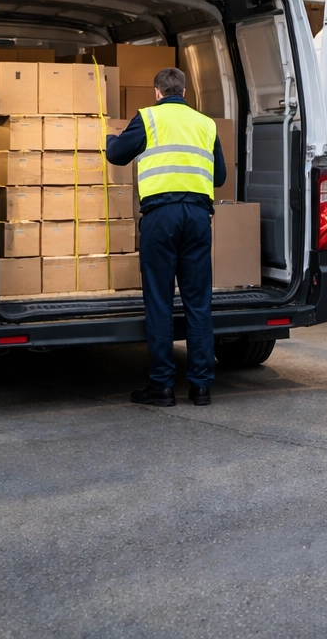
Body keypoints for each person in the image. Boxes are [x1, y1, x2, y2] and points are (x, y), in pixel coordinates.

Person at [106, 66, 228, 407]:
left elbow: (116, 155)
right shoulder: (206, 124)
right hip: (198, 219)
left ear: (157, 92)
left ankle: (162, 386)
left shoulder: (147, 118)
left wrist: (110, 139)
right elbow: (219, 177)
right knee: (198, 303)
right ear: (185, 92)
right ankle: (201, 386)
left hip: (161, 217)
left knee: (159, 301)